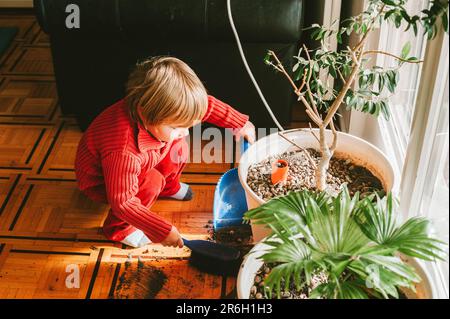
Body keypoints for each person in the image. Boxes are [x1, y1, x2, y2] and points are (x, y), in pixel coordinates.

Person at [74, 56, 255, 248]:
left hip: (145, 157)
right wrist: (161, 230)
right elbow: (123, 203)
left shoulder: (163, 113)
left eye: (189, 125)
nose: (185, 132)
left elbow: (206, 107)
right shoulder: (123, 151)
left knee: (179, 147)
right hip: (104, 181)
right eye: (177, 127)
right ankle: (118, 230)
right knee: (152, 182)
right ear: (144, 113)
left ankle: (169, 187)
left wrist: (239, 123)